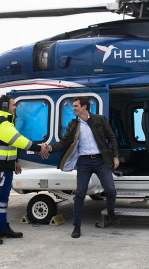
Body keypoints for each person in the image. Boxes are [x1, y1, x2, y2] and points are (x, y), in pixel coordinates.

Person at [46, 96, 120, 239]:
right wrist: (49, 148)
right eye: (73, 106)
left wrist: (115, 156)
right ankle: (77, 227)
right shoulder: (73, 125)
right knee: (80, 194)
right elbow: (62, 143)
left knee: (110, 190)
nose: (73, 108)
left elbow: (111, 137)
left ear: (84, 107)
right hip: (84, 162)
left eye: (75, 106)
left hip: (100, 160)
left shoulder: (100, 119)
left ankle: (111, 213)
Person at [0, 94, 49, 245]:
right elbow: (17, 139)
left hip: (5, 166)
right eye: (13, 105)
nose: (15, 107)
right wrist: (37, 148)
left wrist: (15, 161)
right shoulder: (2, 122)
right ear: (5, 107)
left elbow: (10, 145)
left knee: (2, 201)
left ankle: (2, 228)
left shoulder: (6, 123)